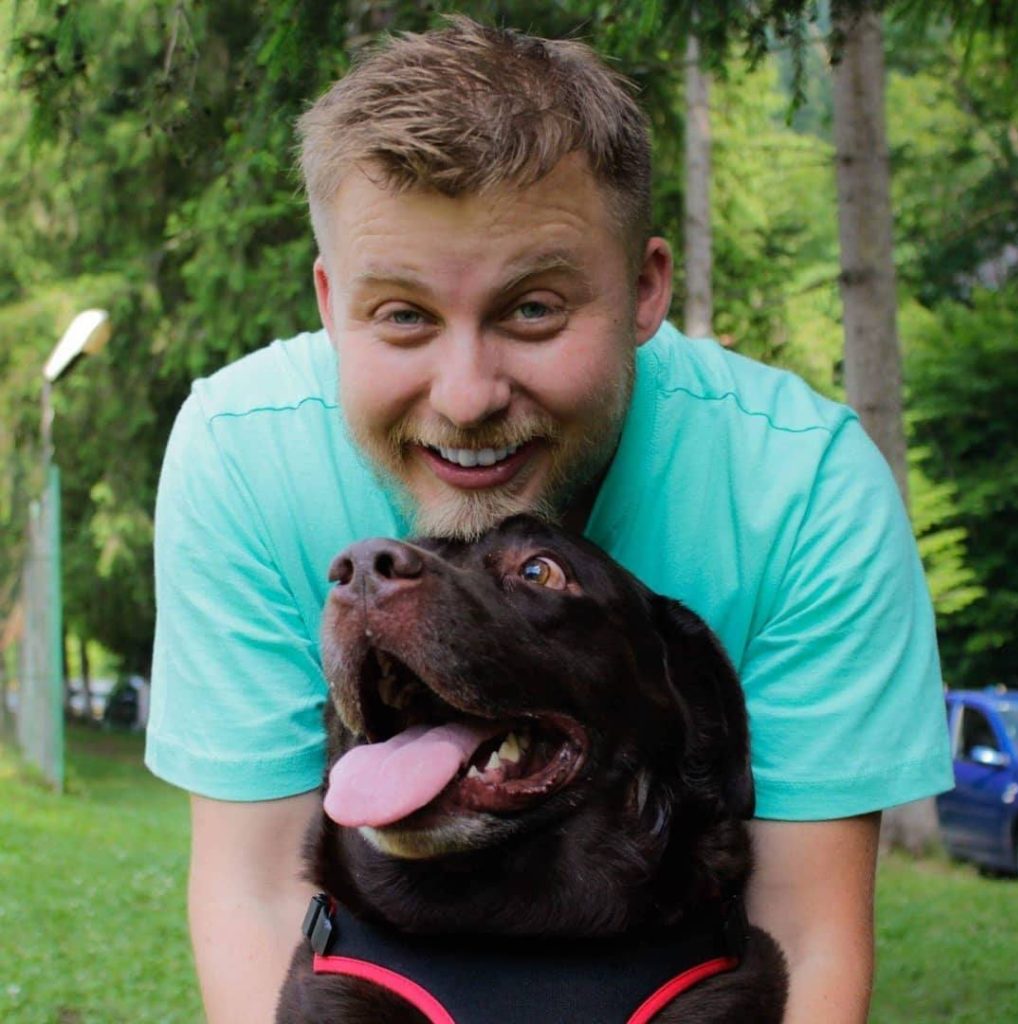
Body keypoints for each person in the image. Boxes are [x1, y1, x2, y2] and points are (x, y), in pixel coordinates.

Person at [145, 16, 952, 1024]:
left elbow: (804, 929)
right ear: (328, 301)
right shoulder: (244, 455)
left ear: (646, 288)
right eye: (401, 315)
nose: (467, 394)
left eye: (532, 310)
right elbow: (259, 890)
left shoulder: (803, 490)